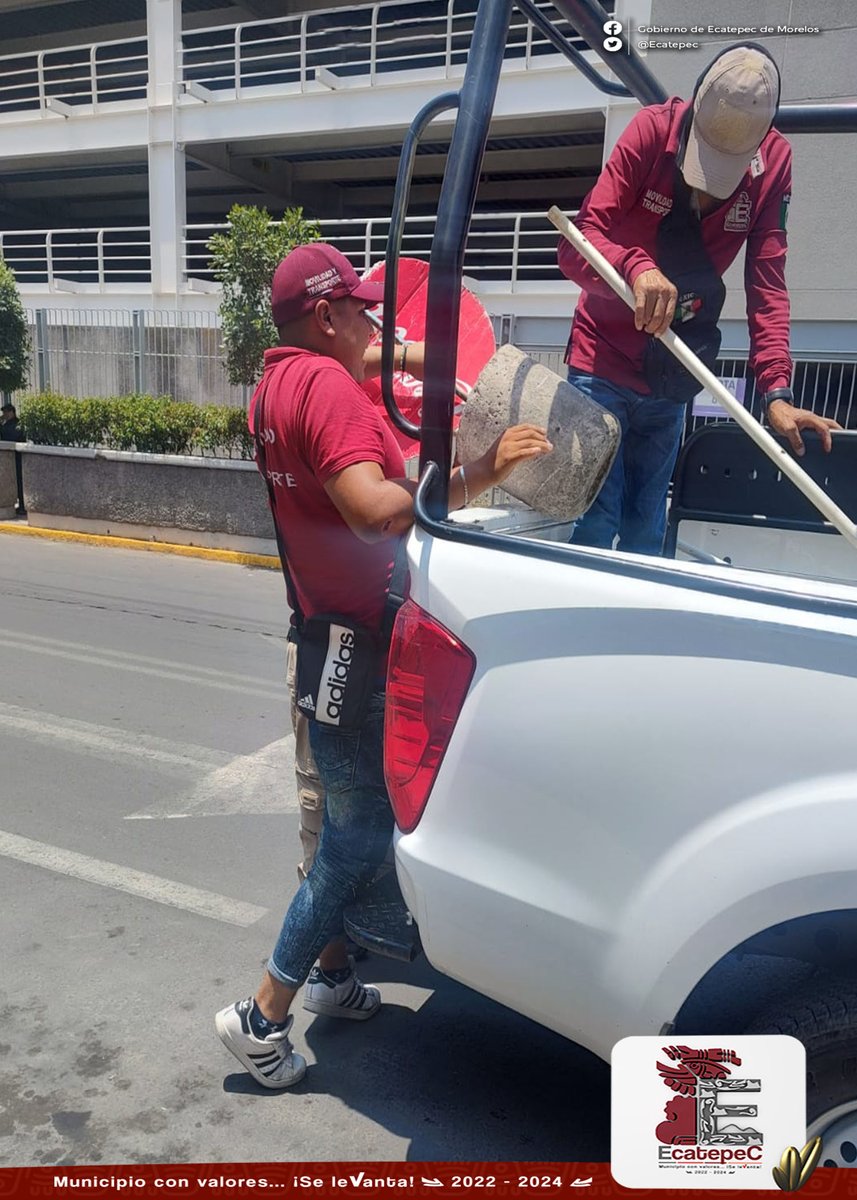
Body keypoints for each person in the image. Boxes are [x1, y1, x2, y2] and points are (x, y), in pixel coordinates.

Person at [215, 242, 552, 1089]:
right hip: (356, 646)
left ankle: (332, 974)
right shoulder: (327, 388)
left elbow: (369, 382)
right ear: (325, 315)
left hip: (322, 634)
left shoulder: (275, 383)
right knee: (356, 835)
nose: (374, 320)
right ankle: (260, 1015)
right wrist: (482, 471)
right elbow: (370, 512)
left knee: (343, 818)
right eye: (362, 309)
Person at [557, 43, 840, 556]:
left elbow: (767, 282)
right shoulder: (649, 131)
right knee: (595, 526)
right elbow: (575, 244)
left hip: (674, 368)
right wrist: (635, 266)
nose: (709, 194)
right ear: (692, 114)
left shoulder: (775, 163)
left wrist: (776, 392)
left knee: (647, 529)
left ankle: (637, 632)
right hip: (602, 362)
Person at [0, 402, 25, 515]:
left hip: (17, 458)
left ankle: (22, 506)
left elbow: (10, 438)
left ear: (12, 412)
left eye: (6, 412)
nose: (4, 414)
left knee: (20, 482)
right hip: (11, 458)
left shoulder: (16, 424)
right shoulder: (7, 424)